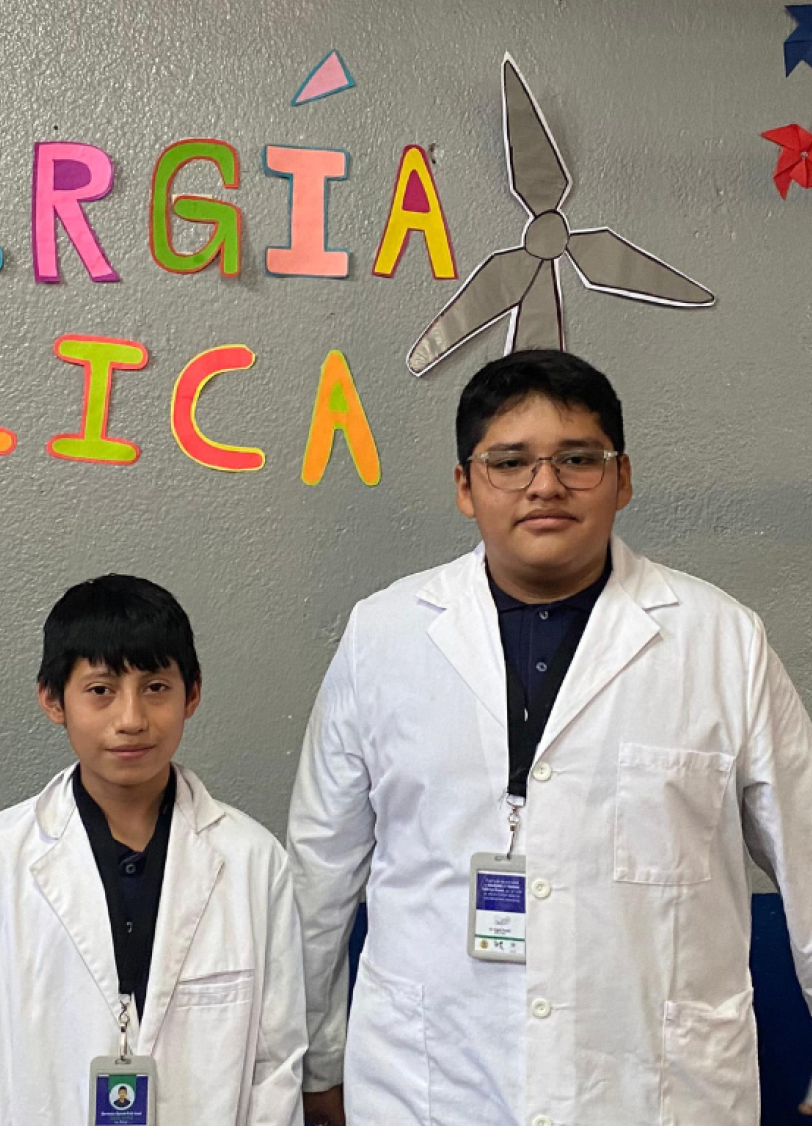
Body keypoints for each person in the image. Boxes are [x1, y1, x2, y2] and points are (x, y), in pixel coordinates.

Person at [289, 351, 812, 1126]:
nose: (545, 485)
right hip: (430, 1082)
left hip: (653, 1087)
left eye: (578, 459)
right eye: (509, 462)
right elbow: (320, 871)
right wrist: (317, 1058)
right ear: (466, 487)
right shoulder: (384, 634)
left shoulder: (720, 640)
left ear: (623, 479)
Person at [0, 574, 306, 1125]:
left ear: (192, 693)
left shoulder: (253, 862)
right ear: (52, 699)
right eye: (101, 690)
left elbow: (275, 1066)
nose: (132, 718)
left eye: (156, 687)